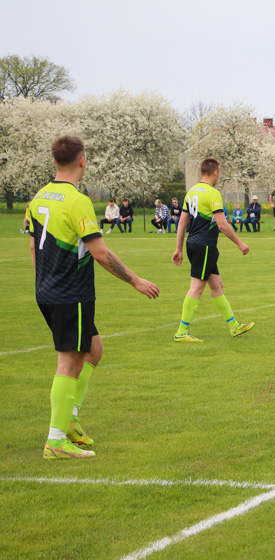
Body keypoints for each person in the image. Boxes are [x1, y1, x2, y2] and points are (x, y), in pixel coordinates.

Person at [29, 135, 160, 459]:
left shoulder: (40, 197)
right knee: (69, 361)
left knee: (93, 349)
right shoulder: (77, 200)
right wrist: (135, 280)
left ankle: (69, 421)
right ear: (82, 160)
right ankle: (56, 440)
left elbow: (33, 245)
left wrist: (42, 282)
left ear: (54, 160)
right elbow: (99, 252)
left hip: (48, 289)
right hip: (70, 292)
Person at [171, 158, 255, 342]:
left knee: (217, 285)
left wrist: (178, 248)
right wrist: (240, 243)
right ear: (215, 172)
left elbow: (182, 223)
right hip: (205, 246)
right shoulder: (212, 193)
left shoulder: (191, 192)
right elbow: (222, 225)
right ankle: (181, 332)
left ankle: (234, 326)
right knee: (196, 288)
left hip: (193, 243)